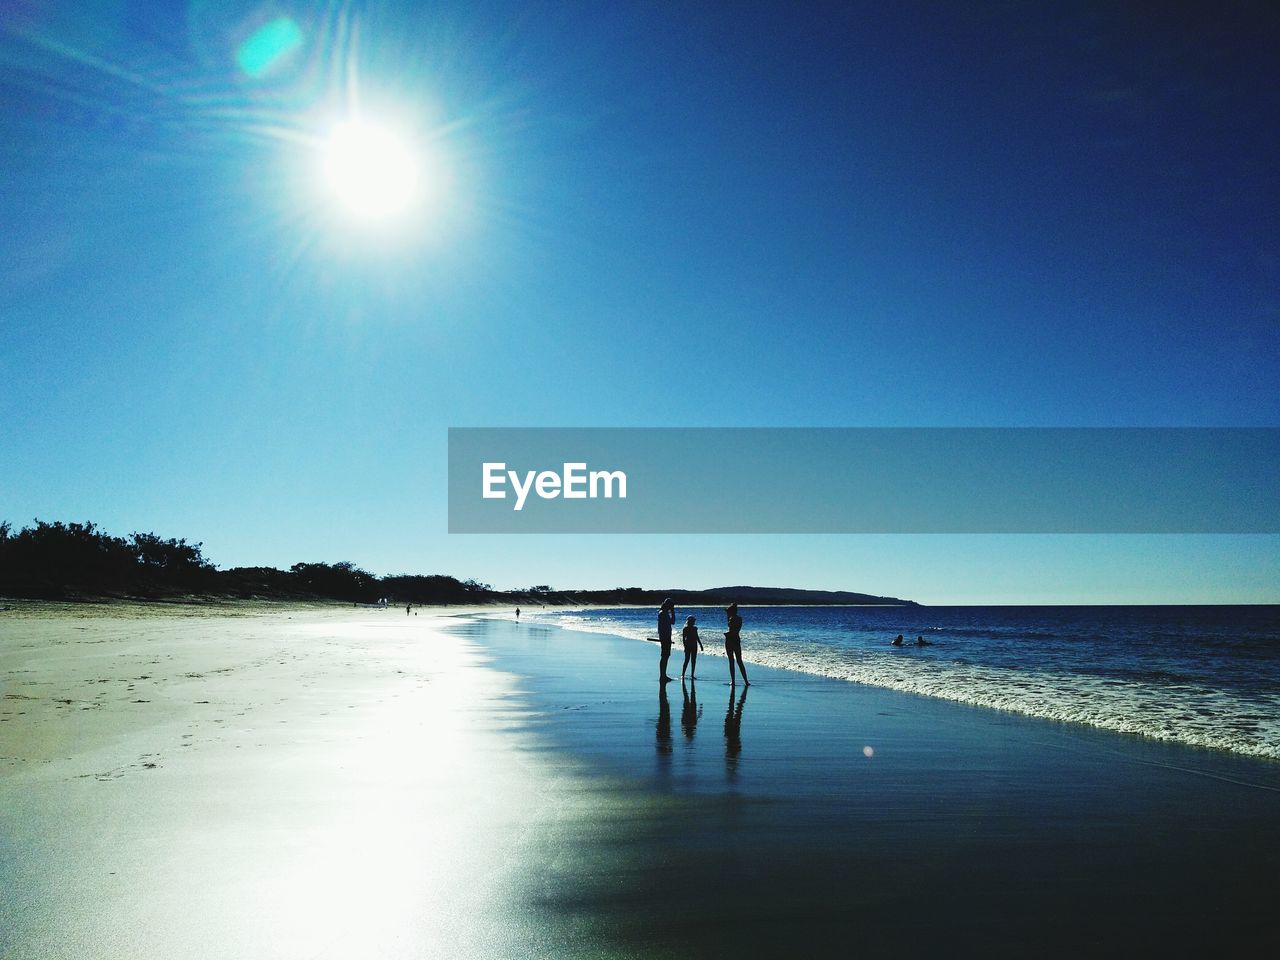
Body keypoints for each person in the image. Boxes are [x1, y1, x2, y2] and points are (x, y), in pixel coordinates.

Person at [724, 603, 749, 686]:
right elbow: (736, 630)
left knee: (731, 661)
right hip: (737, 640)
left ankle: (733, 681)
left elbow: (731, 630)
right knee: (739, 661)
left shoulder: (731, 619)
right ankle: (746, 681)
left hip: (730, 640)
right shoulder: (739, 619)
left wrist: (726, 634)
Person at [657, 598, 676, 682]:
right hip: (665, 637)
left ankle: (664, 675)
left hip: (666, 637)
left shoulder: (665, 613)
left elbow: (673, 622)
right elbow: (661, 628)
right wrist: (664, 638)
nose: (671, 607)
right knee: (664, 656)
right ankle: (662, 676)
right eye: (671, 606)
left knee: (666, 656)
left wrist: (673, 612)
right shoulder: (662, 613)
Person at [680, 615, 704, 680]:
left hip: (694, 646)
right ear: (689, 621)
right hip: (688, 646)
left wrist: (701, 645)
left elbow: (697, 637)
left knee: (693, 661)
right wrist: (685, 647)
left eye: (694, 621)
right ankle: (682, 674)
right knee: (686, 660)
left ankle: (692, 675)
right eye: (693, 621)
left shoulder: (695, 628)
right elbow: (683, 639)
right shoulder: (685, 629)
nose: (694, 622)